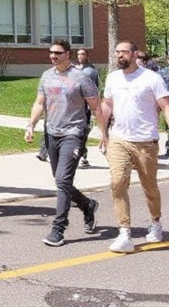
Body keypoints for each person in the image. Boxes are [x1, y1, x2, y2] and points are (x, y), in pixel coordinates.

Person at [101, 41, 169, 254]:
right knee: (117, 181)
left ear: (135, 54)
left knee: (150, 187)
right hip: (119, 139)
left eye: (123, 52)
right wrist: (102, 133)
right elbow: (107, 105)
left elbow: (167, 107)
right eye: (117, 52)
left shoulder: (151, 78)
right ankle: (124, 232)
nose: (119, 55)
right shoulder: (113, 78)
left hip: (146, 141)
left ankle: (155, 222)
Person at [24, 40, 107, 246]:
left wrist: (104, 134)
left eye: (57, 53)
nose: (53, 56)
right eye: (51, 52)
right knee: (62, 181)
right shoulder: (46, 76)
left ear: (67, 54)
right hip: (52, 133)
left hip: (74, 133)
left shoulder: (82, 77)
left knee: (62, 180)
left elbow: (96, 107)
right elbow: (39, 102)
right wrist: (31, 124)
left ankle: (58, 229)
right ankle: (87, 205)